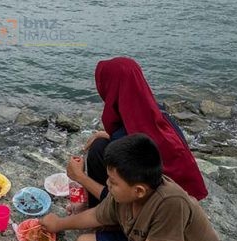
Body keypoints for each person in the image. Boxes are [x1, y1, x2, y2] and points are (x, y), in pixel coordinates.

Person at [40, 134, 232, 241]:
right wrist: (58, 224)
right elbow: (96, 216)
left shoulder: (171, 202)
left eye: (113, 182)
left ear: (139, 190)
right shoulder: (122, 196)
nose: (107, 184)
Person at [67, 57, 207, 209]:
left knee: (98, 150)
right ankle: (94, 208)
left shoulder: (129, 147)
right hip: (182, 195)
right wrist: (110, 135)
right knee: (100, 144)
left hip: (161, 212)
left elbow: (129, 200)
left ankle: (99, 218)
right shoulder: (158, 113)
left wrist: (79, 177)